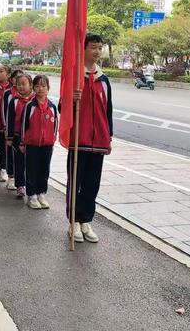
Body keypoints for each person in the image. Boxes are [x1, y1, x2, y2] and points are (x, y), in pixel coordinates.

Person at [66, 34, 113, 244]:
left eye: (99, 48)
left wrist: (108, 136)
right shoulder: (74, 76)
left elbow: (108, 111)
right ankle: (73, 222)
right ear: (83, 49)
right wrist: (71, 99)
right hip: (79, 140)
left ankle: (86, 220)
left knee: (92, 184)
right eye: (93, 47)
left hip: (99, 141)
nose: (97, 51)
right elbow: (62, 109)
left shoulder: (104, 80)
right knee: (75, 183)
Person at [20, 75, 58, 210]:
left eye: (43, 86)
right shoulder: (30, 106)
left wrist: (52, 143)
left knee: (44, 170)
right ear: (33, 88)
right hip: (32, 145)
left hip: (47, 145)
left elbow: (55, 127)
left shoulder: (52, 107)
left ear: (48, 88)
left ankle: (41, 193)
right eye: (37, 86)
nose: (40, 89)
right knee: (31, 170)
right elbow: (24, 125)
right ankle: (32, 195)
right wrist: (23, 143)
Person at [6, 74, 35, 198]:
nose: (21, 87)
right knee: (19, 162)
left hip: (32, 138)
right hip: (18, 137)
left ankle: (32, 187)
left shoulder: (35, 101)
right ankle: (20, 185)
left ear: (31, 85)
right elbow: (10, 120)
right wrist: (9, 137)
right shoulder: (14, 101)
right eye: (19, 84)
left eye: (24, 84)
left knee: (32, 164)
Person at [1, 69, 23, 190]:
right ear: (12, 79)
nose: (19, 82)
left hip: (23, 134)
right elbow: (5, 112)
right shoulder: (8, 94)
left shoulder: (31, 97)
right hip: (11, 131)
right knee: (10, 153)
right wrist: (6, 128)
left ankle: (21, 182)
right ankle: (11, 176)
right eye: (16, 78)